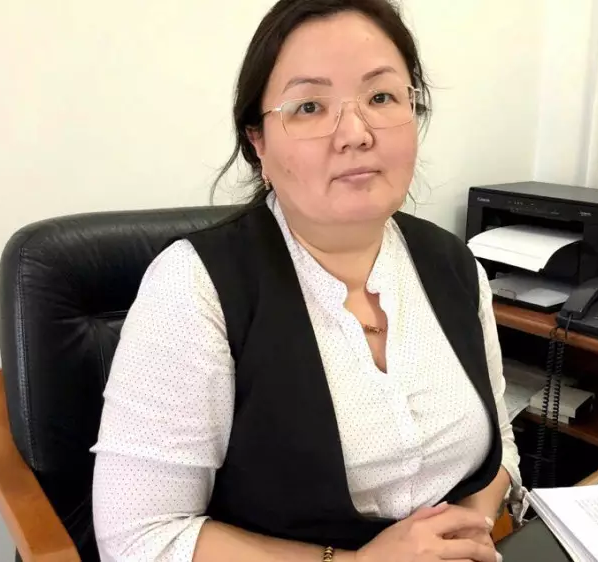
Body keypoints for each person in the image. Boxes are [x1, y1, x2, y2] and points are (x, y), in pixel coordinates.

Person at [91, 1, 522, 561]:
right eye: (310, 106)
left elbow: (498, 447)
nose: (355, 134)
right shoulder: (194, 288)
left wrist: (470, 529)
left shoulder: (455, 266)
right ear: (258, 143)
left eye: (381, 97)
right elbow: (140, 536)